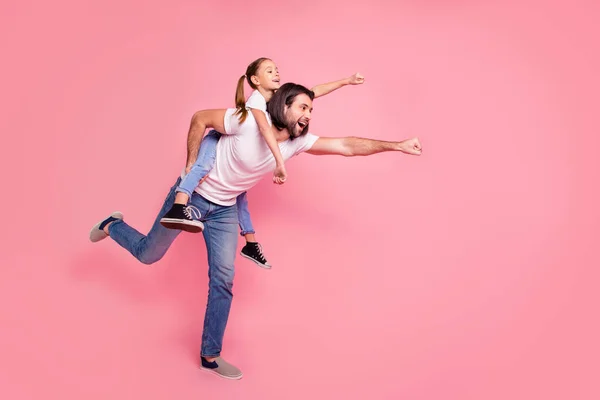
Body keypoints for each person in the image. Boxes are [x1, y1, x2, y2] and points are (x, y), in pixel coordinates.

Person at [89, 82, 422, 380]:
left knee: (223, 279)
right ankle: (112, 225)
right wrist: (191, 164)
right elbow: (200, 118)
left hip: (224, 210)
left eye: (311, 110)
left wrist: (396, 145)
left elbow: (347, 145)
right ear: (283, 106)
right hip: (194, 195)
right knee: (149, 255)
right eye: (303, 107)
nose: (308, 115)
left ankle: (210, 355)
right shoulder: (248, 121)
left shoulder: (297, 142)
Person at [160, 57, 365, 269]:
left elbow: (313, 91)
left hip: (239, 159)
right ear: (255, 80)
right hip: (217, 138)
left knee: (240, 194)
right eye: (269, 71)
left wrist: (346, 81)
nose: (276, 73)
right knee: (201, 167)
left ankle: (250, 243)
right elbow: (265, 130)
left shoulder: (278, 97)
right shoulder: (256, 101)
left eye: (277, 69)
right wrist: (279, 162)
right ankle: (179, 205)